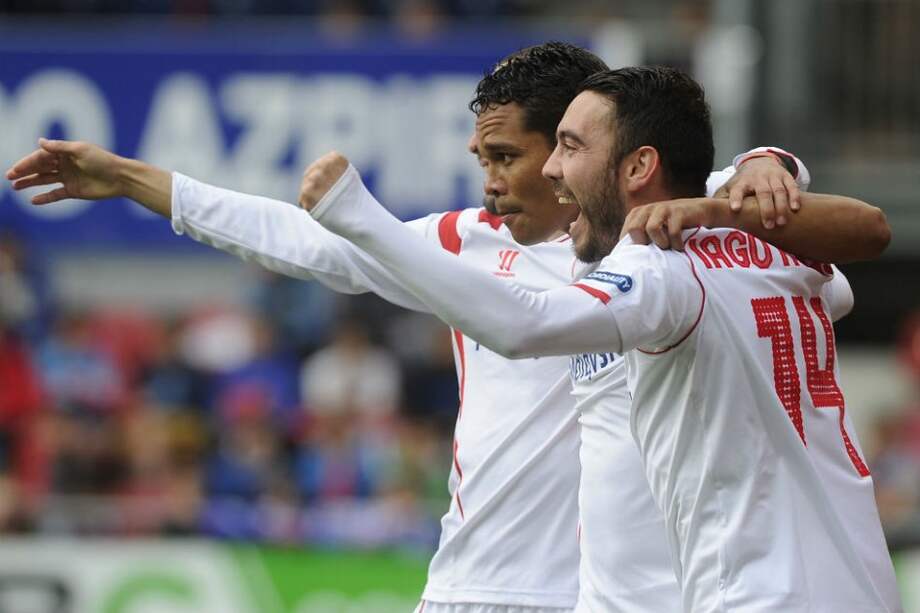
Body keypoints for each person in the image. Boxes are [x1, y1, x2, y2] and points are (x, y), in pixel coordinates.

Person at [5, 45, 885, 611]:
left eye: (510, 157)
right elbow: (294, 237)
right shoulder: (465, 245)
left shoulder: (665, 249)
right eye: (482, 159)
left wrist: (771, 163)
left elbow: (721, 199)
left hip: (608, 594)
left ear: (576, 152)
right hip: (466, 581)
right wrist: (133, 178)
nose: (491, 183)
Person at [295, 66, 901, 612]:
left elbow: (524, 324)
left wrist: (363, 219)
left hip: (752, 595)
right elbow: (872, 232)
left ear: (639, 166)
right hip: (861, 583)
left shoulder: (655, 266)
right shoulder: (775, 250)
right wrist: (755, 174)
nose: (553, 168)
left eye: (569, 146)